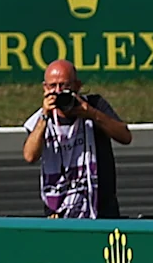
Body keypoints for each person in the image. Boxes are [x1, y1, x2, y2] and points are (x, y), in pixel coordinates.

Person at [21, 60, 132, 219]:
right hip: (58, 212)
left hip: (100, 210)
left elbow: (125, 136)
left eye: (64, 86)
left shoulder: (94, 105)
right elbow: (29, 156)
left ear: (77, 86)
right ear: (45, 88)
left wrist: (91, 114)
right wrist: (45, 116)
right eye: (53, 86)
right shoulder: (41, 119)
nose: (59, 92)